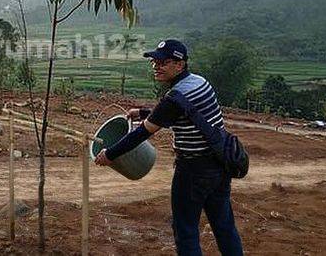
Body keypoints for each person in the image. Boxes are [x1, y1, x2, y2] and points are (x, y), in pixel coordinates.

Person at [94, 39, 243, 256]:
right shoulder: (200, 82)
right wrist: (145, 112)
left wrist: (110, 154)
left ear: (180, 64)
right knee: (224, 225)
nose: (156, 66)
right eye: (155, 62)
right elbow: (186, 113)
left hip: (193, 170)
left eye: (163, 62)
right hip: (220, 164)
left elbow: (141, 134)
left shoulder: (173, 98)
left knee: (185, 230)